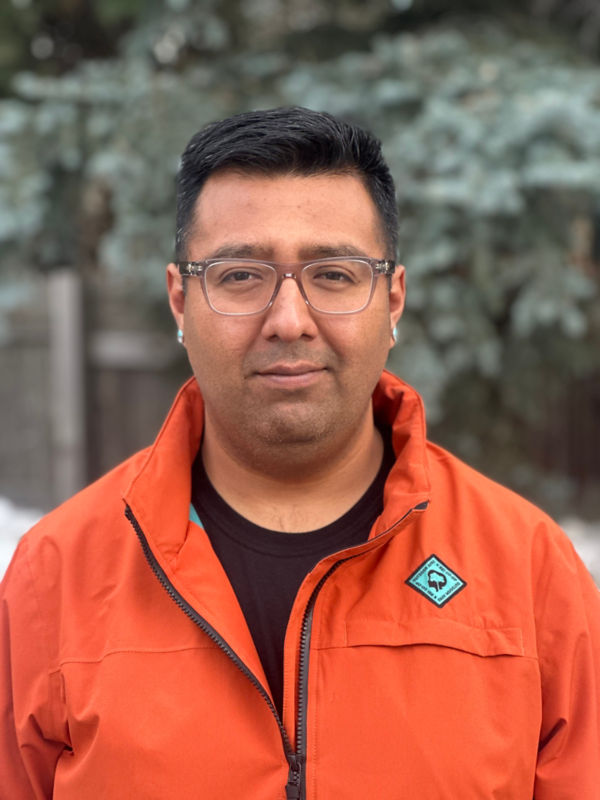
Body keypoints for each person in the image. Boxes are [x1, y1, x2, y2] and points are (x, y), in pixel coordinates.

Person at [1, 107, 599, 800]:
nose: (289, 321)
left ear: (392, 299)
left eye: (335, 274)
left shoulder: (530, 575)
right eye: (240, 275)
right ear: (180, 300)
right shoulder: (54, 579)